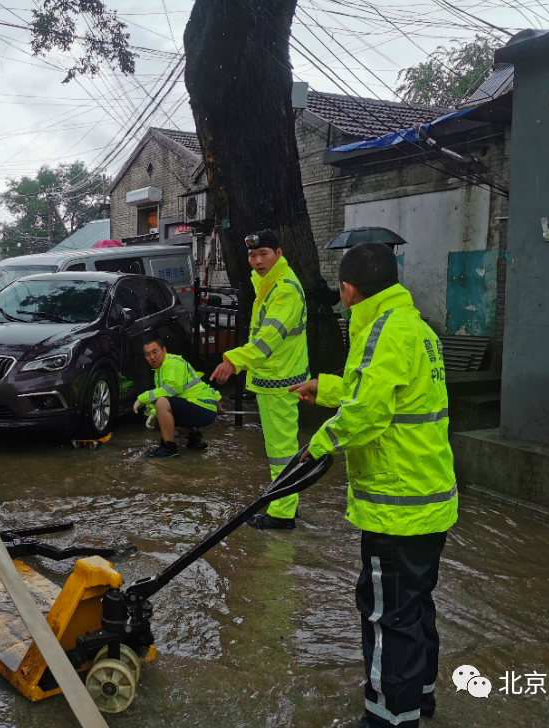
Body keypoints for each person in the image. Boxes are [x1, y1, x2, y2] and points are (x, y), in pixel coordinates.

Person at [292, 243, 457, 728]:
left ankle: (388, 716)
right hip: (429, 503)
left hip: (397, 507)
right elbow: (380, 391)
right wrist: (324, 388)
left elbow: (366, 413)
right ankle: (420, 696)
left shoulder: (382, 332)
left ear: (347, 290)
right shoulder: (417, 329)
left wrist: (319, 443)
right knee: (416, 605)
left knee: (388, 616)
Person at [210, 229, 308, 529]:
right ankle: (286, 501)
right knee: (281, 449)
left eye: (263, 254)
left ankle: (282, 513)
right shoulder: (270, 285)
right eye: (252, 255)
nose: (257, 260)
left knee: (281, 452)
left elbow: (267, 341)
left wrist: (233, 361)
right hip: (276, 378)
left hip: (280, 381)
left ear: (278, 253)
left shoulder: (284, 290)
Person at [134, 337, 222, 457]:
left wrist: (142, 398)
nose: (152, 357)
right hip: (204, 406)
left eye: (155, 352)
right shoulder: (163, 368)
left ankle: (169, 448)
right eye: (148, 354)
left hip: (202, 406)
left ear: (164, 350)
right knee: (163, 411)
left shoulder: (171, 364)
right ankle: (195, 438)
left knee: (161, 403)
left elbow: (171, 390)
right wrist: (156, 413)